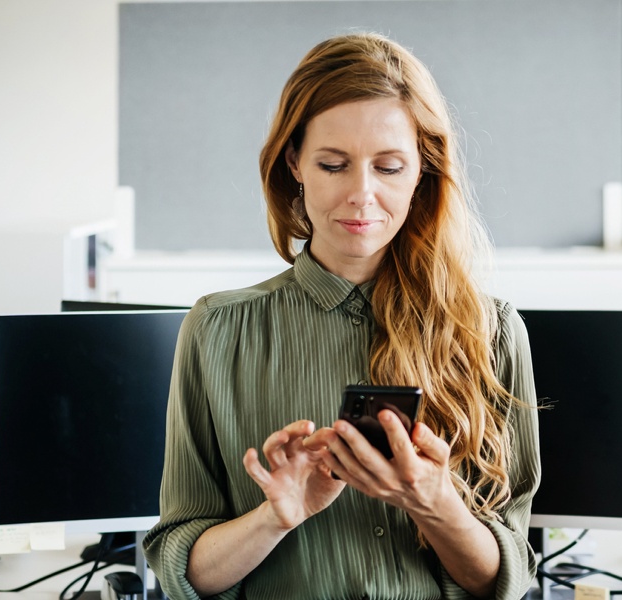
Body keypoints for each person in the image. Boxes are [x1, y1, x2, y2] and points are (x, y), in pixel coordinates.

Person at [141, 33, 541, 600]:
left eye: (390, 167)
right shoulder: (216, 330)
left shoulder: (492, 332)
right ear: (294, 164)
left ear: (422, 173)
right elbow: (183, 570)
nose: (361, 194)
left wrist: (435, 504)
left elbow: (507, 577)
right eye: (333, 164)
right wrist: (273, 517)